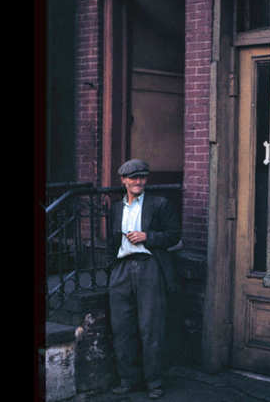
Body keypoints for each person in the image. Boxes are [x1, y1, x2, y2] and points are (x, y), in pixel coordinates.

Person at [106, 159, 181, 400]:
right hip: (121, 270)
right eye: (133, 177)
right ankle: (128, 380)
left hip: (149, 267)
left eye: (142, 177)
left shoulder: (160, 204)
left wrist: (148, 236)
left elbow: (173, 236)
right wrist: (112, 267)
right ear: (123, 180)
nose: (138, 182)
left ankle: (154, 382)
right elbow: (110, 242)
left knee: (151, 328)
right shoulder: (117, 208)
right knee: (122, 328)